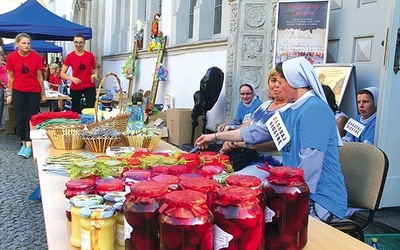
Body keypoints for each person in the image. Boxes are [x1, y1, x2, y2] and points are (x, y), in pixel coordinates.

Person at [195, 57, 348, 221]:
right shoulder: (293, 109)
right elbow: (256, 132)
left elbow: (310, 165)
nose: (278, 87)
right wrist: (215, 136)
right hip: (295, 190)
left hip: (320, 199)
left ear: (292, 82)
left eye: (280, 82)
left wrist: (289, 200)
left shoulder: (314, 109)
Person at [219, 68, 289, 172]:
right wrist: (229, 140)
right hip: (248, 155)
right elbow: (244, 126)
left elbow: (274, 143)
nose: (276, 85)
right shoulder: (265, 105)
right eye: (273, 80)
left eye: (281, 81)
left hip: (271, 161)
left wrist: (239, 144)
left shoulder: (290, 109)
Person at [5, 33, 46, 158]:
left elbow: (40, 77)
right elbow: (11, 77)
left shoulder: (36, 57)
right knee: (21, 118)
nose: (26, 45)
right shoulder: (11, 57)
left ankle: (28, 145)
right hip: (18, 90)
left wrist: (42, 93)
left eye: (28, 43)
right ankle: (23, 142)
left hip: (33, 91)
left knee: (30, 118)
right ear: (17, 44)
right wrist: (10, 93)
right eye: (23, 43)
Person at [60, 33, 98, 113]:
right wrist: (72, 78)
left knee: (90, 109)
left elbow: (95, 68)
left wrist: (95, 75)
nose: (78, 44)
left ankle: (89, 124)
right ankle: (77, 124)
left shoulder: (89, 55)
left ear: (84, 43)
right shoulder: (70, 56)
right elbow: (62, 73)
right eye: (76, 42)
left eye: (81, 42)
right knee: (75, 109)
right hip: (76, 86)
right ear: (73, 43)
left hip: (89, 85)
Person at [0, 51, 9, 131]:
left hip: (3, 87)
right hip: (1, 86)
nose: (2, 57)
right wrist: (3, 84)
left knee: (1, 105)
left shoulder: (2, 63)